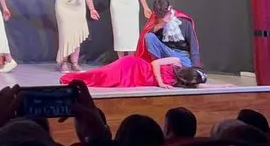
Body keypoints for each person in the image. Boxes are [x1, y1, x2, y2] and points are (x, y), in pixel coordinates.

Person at [59, 54, 207, 88]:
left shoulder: (180, 83)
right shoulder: (176, 62)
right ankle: (73, 78)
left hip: (137, 79)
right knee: (104, 74)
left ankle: (77, 79)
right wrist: (161, 82)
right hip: (135, 67)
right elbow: (155, 63)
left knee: (107, 81)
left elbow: (200, 85)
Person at [136, 0, 201, 67]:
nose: (162, 18)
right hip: (165, 53)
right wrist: (161, 24)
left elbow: (193, 46)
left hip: (181, 55)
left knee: (188, 68)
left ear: (170, 9)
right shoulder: (155, 20)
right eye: (160, 16)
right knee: (149, 36)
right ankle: (159, 65)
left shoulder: (184, 21)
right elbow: (146, 37)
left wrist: (195, 66)